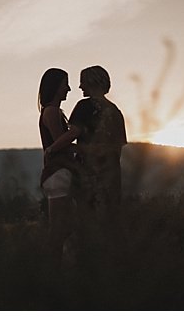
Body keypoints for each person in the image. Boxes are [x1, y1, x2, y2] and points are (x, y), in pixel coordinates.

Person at [45, 65, 127, 213]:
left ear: (91, 82)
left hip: (89, 175)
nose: (80, 86)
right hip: (112, 176)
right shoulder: (116, 111)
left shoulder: (85, 106)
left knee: (88, 221)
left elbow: (73, 133)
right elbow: (118, 148)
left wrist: (52, 148)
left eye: (82, 81)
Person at [37, 68, 77, 268]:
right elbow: (60, 141)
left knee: (64, 227)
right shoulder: (52, 112)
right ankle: (51, 271)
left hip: (59, 172)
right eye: (65, 84)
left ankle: (58, 268)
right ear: (55, 86)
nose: (69, 89)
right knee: (58, 229)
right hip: (58, 172)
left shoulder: (55, 111)